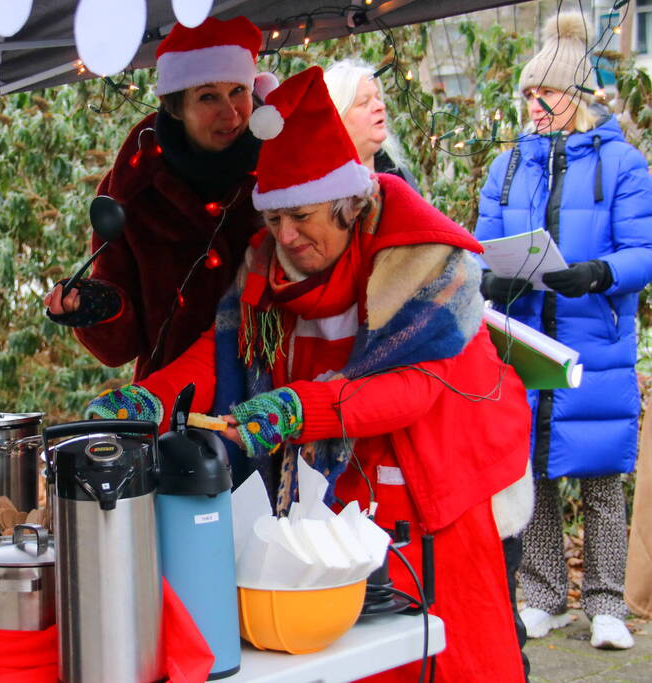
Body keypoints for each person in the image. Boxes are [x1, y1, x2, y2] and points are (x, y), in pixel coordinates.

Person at [87, 65, 530, 682]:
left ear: (348, 204)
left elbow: (414, 388)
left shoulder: (424, 260)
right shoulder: (265, 265)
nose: (286, 237)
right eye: (273, 220)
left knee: (440, 649)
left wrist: (297, 409)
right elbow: (222, 352)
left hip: (433, 479)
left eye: (301, 217)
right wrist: (151, 400)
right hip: (334, 479)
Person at [475, 12, 652, 651]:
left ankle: (606, 604)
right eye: (528, 93)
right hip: (525, 342)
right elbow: (480, 245)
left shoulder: (622, 163)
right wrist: (490, 280)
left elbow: (643, 250)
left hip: (594, 341)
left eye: (544, 92)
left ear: (574, 97)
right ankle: (544, 596)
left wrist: (600, 273)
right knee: (535, 471)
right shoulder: (509, 166)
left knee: (601, 475)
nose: (533, 104)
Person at [44, 17, 276, 381]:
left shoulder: (284, 165)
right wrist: (96, 306)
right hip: (173, 396)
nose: (231, 113)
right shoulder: (133, 189)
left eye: (238, 91)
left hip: (277, 395)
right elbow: (120, 346)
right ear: (176, 106)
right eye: (208, 96)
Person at [323, 59, 417, 190]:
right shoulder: (319, 192)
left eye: (378, 98)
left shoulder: (401, 177)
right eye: (364, 102)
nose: (380, 106)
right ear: (336, 118)